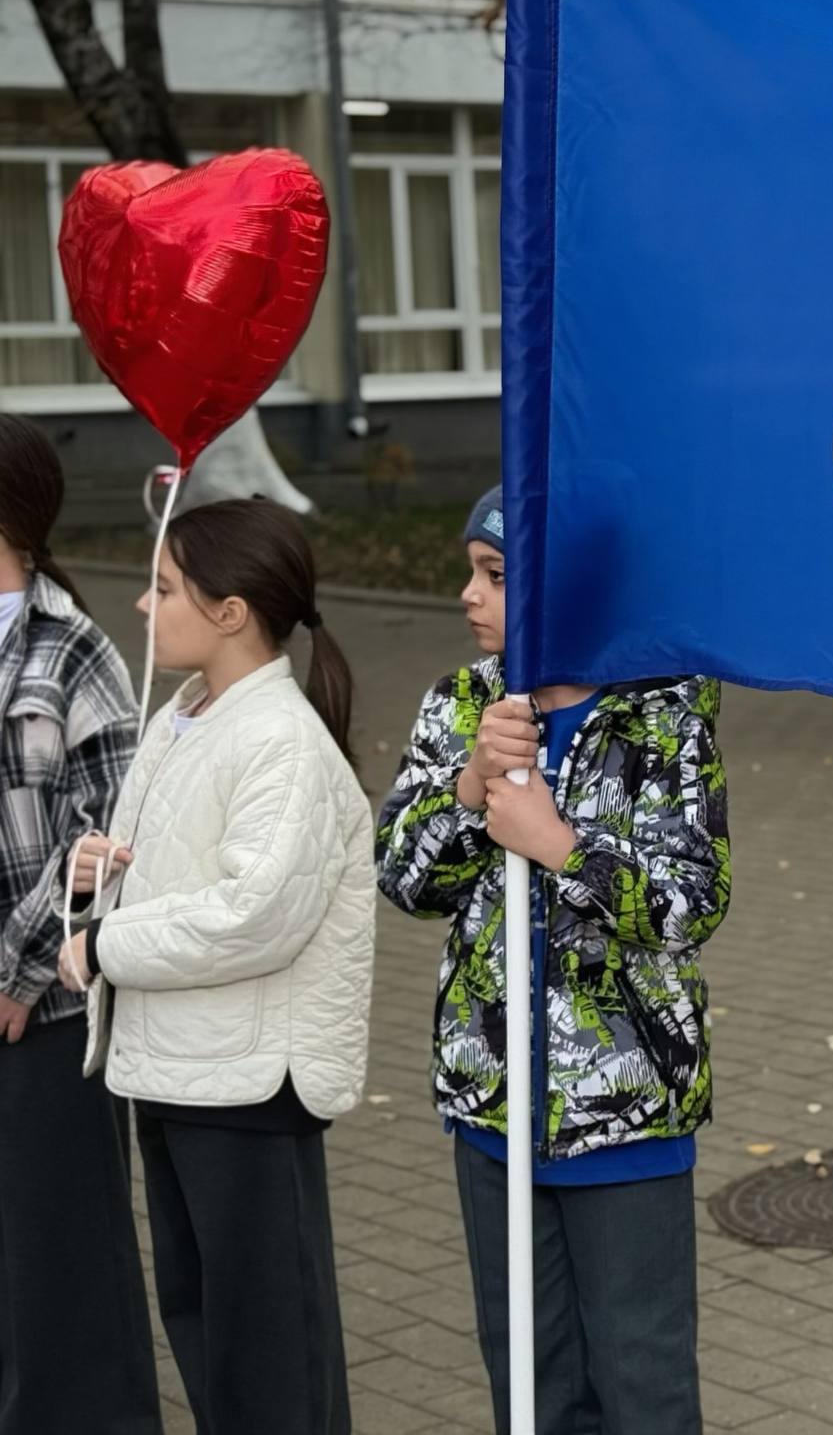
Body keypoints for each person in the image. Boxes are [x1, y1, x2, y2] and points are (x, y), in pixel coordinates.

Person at [377, 487, 729, 1435]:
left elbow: (691, 901)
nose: (467, 595)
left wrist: (561, 846)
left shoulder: (662, 715)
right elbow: (403, 877)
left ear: (566, 590)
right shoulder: (461, 703)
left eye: (494, 576)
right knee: (531, 1386)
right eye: (471, 573)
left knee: (642, 1382)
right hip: (494, 1113)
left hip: (628, 1123)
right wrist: (467, 786)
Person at [62, 497, 374, 1435]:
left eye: (163, 589)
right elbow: (179, 870)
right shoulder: (191, 715)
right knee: (208, 1326)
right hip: (178, 1069)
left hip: (243, 1086)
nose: (143, 607)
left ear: (231, 610)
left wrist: (104, 944)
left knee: (267, 1346)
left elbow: (251, 916)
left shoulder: (278, 739)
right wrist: (97, 872)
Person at [0, 413, 159, 1435]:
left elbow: (105, 840)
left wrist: (14, 973)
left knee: (60, 1269)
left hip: (44, 1019)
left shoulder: (75, 653)